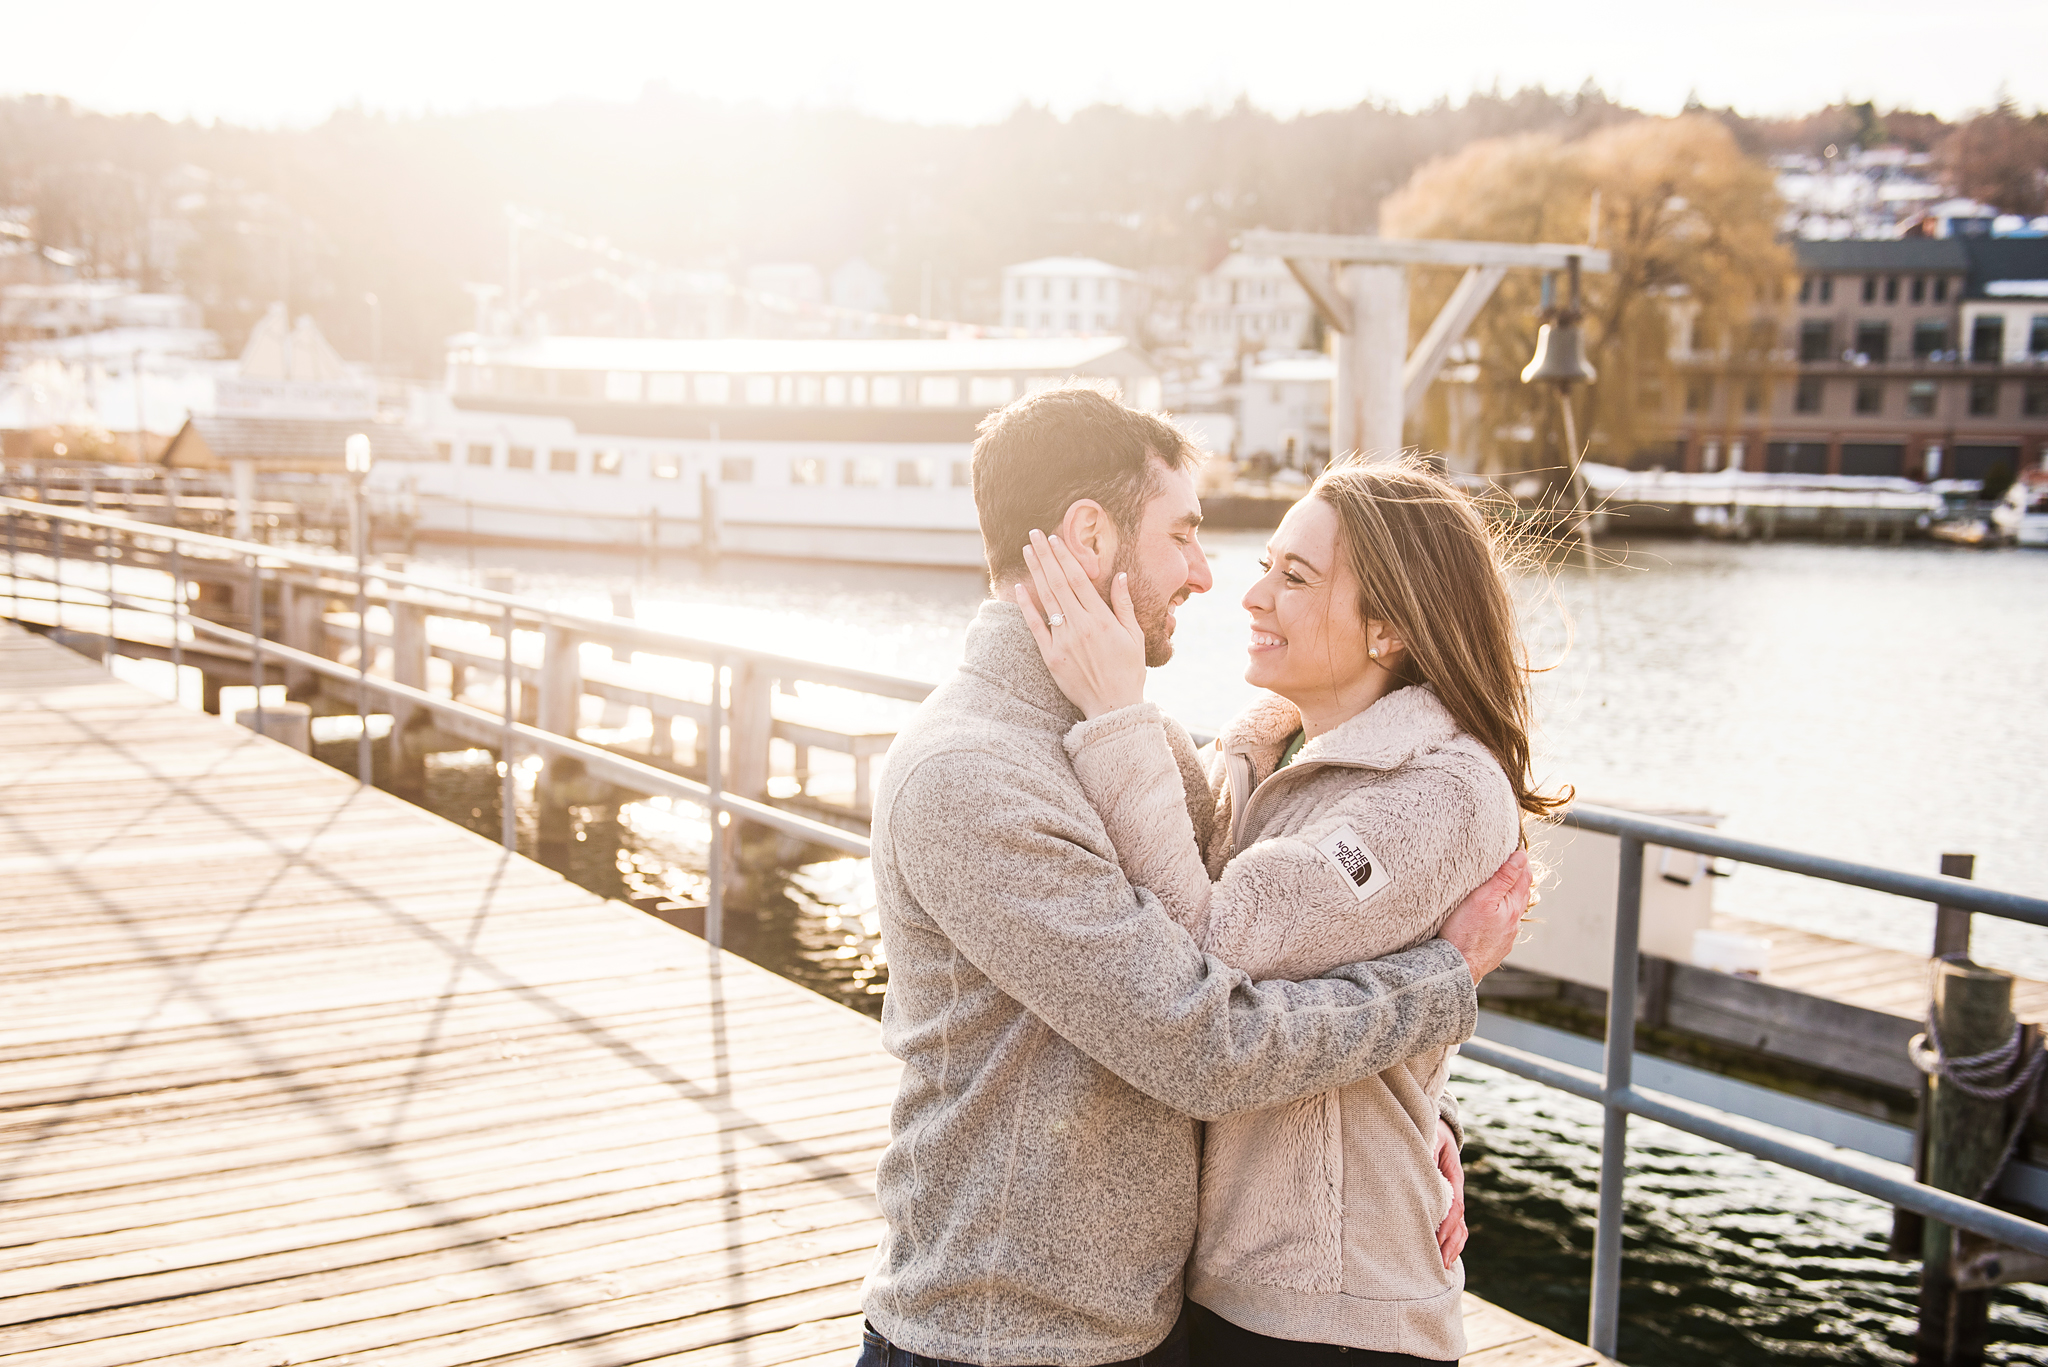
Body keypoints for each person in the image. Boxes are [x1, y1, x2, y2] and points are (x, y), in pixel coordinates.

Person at [858, 386, 1532, 1367]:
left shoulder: (1138, 738)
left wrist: (1417, 1116)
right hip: (998, 1338)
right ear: (1091, 534)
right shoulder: (971, 773)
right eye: (1183, 534)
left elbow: (1297, 931)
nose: (1209, 576)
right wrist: (1437, 987)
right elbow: (1202, 1041)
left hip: (1148, 1321)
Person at [1014, 454, 1564, 1365]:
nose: (1251, 594)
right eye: (1267, 562)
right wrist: (1435, 1111)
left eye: (1295, 576)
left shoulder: (1443, 791)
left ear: (1388, 628)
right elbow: (1350, 973)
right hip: (1228, 1279)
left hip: (1332, 1311)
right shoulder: (1264, 742)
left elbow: (1216, 943)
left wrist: (1116, 713)